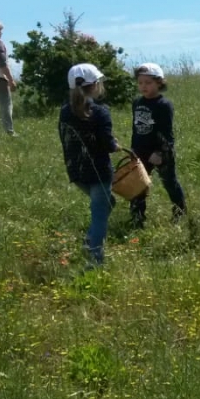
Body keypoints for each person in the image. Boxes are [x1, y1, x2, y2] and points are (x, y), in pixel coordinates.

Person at [59, 64, 120, 265]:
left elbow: (64, 139)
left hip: (76, 171)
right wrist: (115, 145)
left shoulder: (65, 112)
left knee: (107, 203)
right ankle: (96, 259)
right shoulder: (101, 112)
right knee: (100, 214)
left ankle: (88, 240)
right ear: (94, 85)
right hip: (99, 171)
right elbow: (107, 143)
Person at [129, 63, 187, 226]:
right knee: (138, 185)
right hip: (140, 150)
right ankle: (137, 217)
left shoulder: (163, 105)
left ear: (159, 83)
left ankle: (180, 213)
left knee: (169, 182)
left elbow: (166, 132)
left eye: (148, 83)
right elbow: (135, 127)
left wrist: (160, 152)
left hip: (161, 150)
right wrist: (133, 149)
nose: (143, 86)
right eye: (140, 83)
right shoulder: (137, 103)